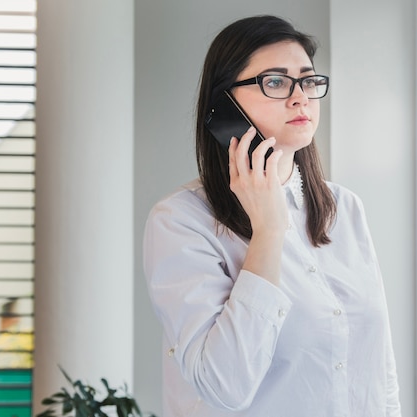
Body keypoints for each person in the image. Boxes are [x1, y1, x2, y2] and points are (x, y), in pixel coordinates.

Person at [143, 15, 401, 417]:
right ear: (224, 104)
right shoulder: (180, 221)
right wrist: (268, 230)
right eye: (276, 82)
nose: (301, 98)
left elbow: (379, 370)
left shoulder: (344, 208)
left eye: (309, 81)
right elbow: (224, 386)